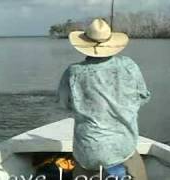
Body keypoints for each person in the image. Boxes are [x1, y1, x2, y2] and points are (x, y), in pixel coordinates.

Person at [57, 18, 151, 179]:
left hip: (87, 151)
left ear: (85, 45)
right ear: (111, 44)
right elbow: (143, 97)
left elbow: (64, 104)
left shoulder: (73, 72)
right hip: (123, 147)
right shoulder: (129, 66)